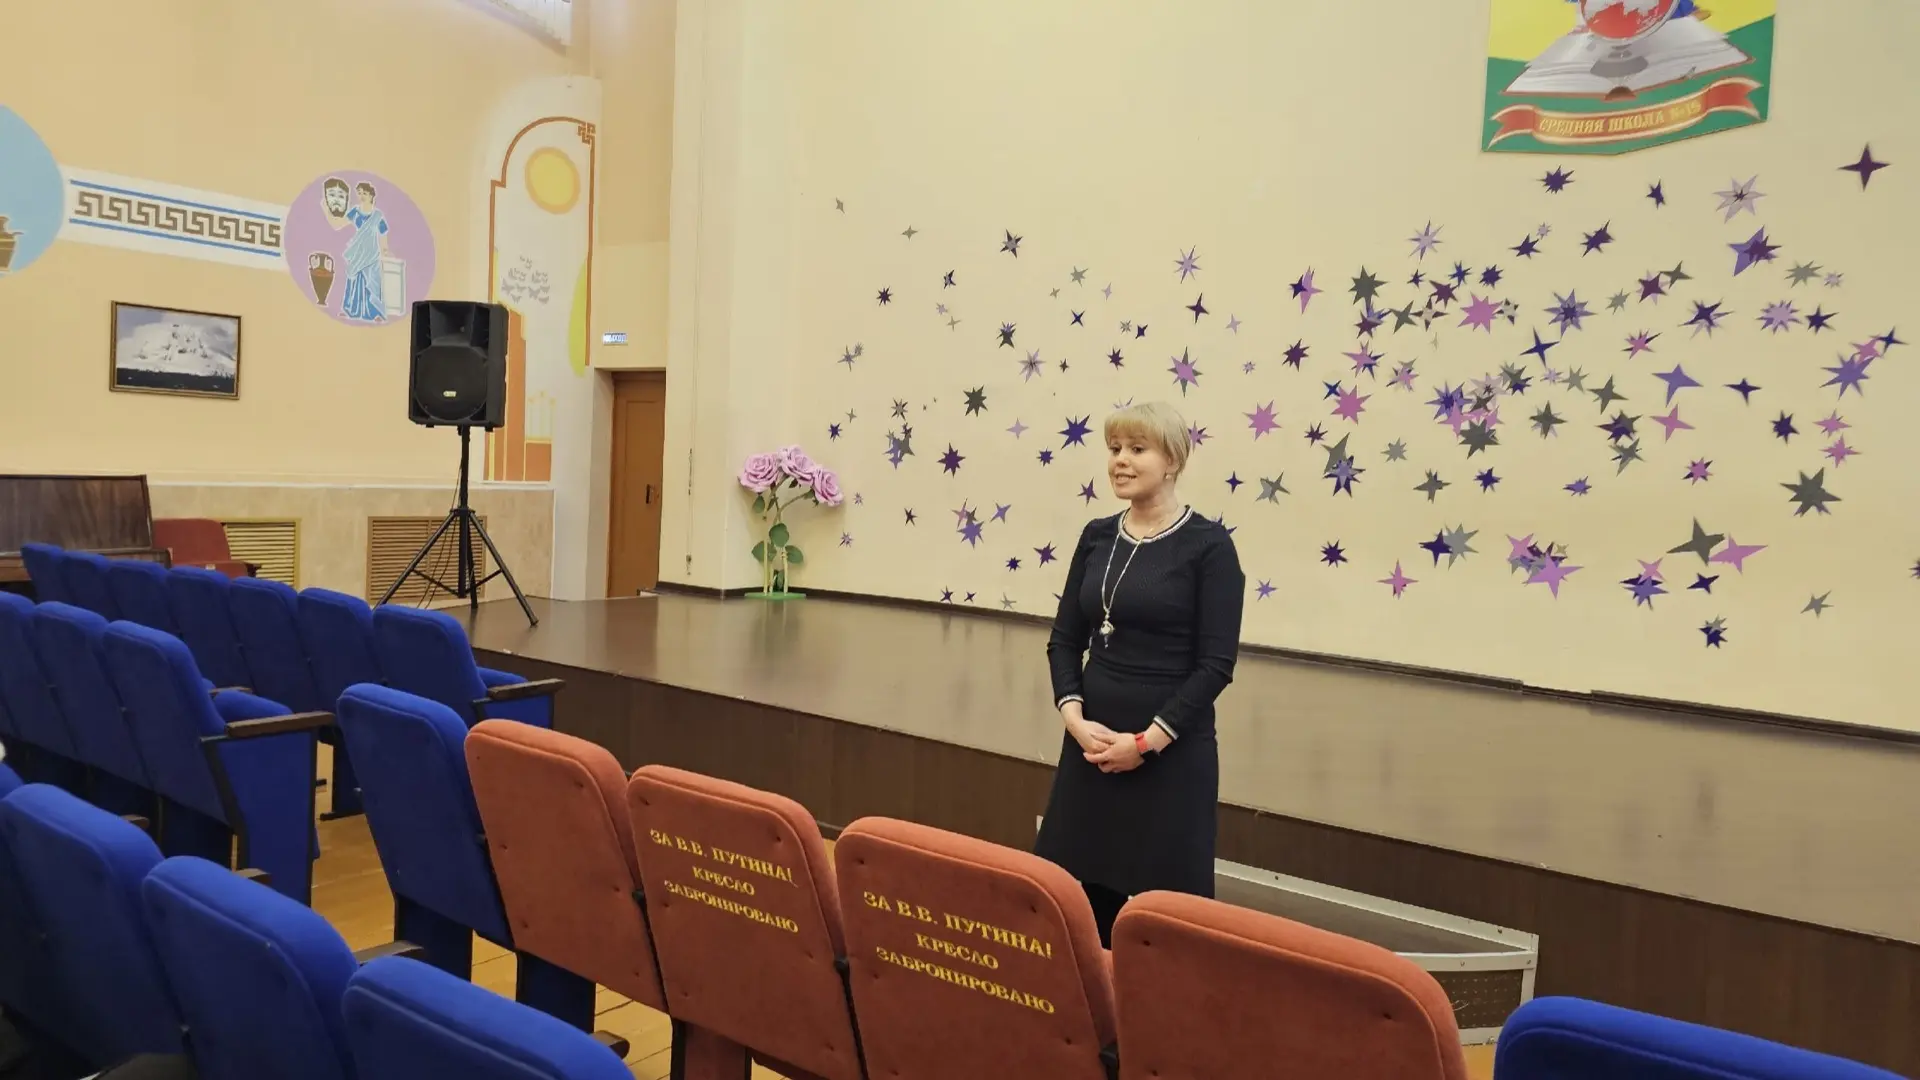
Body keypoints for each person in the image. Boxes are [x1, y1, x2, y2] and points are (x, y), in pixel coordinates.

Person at [1036, 401, 1245, 947]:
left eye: (1137, 449)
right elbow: (1064, 640)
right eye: (1114, 449)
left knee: (1168, 926)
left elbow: (1215, 666)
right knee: (1076, 914)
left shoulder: (1210, 547)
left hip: (1168, 758)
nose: (1120, 461)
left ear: (1172, 460)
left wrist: (1146, 744)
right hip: (1091, 751)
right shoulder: (1097, 536)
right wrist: (1074, 719)